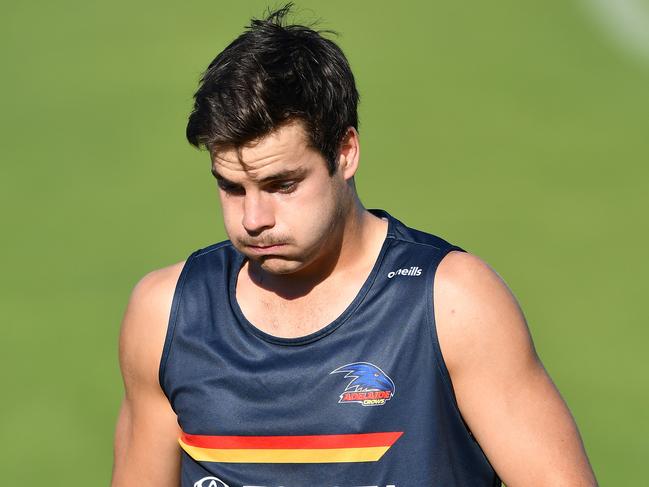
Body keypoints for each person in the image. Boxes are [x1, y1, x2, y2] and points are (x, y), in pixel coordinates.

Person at [111, 5, 598, 487]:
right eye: (232, 188)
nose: (253, 220)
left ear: (345, 153)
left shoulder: (452, 304)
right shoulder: (167, 315)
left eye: (283, 185)